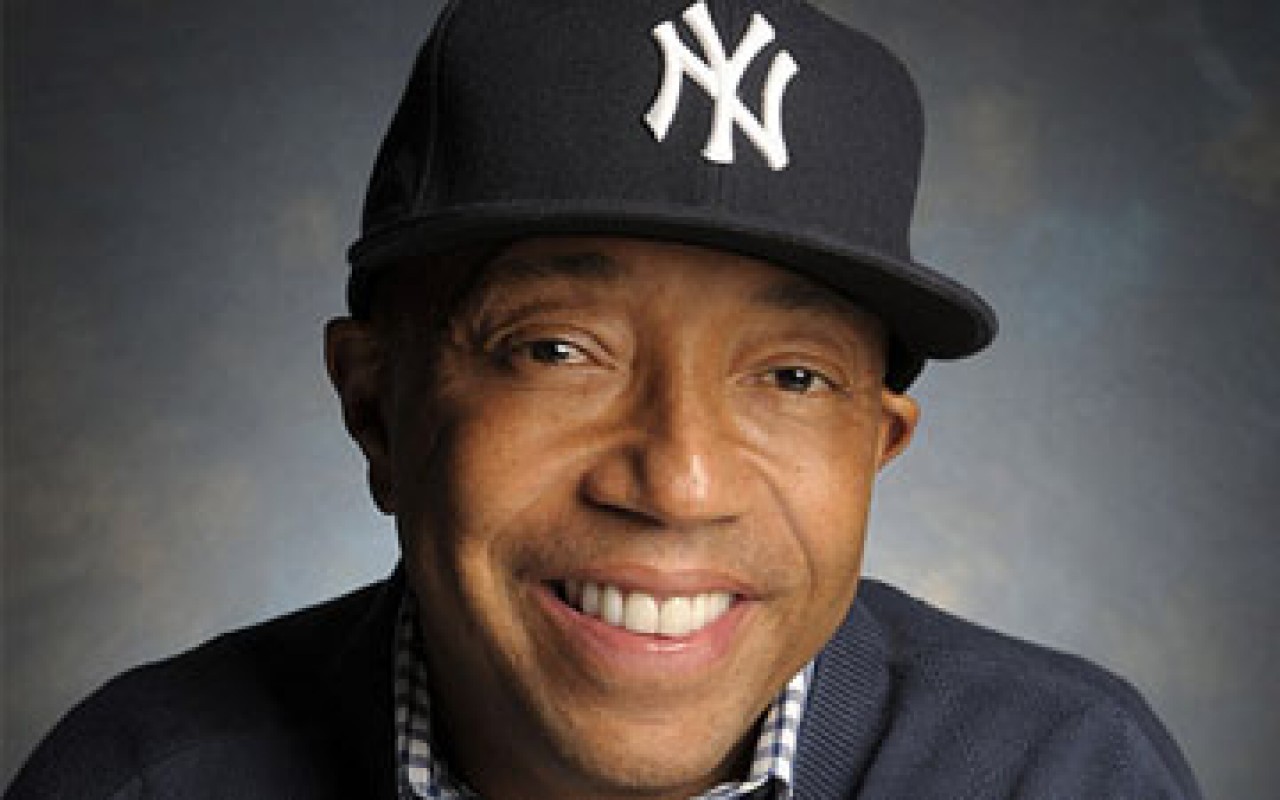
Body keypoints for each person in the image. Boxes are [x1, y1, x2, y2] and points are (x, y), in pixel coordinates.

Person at [7, 0, 1203, 797]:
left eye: (791, 375)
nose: (677, 479)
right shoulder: (141, 777)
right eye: (555, 349)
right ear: (375, 406)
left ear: (875, 446)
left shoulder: (1062, 772)